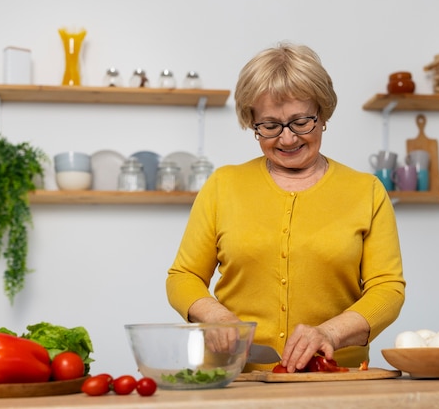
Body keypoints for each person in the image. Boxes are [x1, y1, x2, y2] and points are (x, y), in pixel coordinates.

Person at [166, 42, 405, 373]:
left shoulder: (367, 191)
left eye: (300, 122)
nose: (287, 139)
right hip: (234, 377)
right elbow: (184, 276)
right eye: (270, 125)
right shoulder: (223, 185)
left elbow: (387, 289)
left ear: (323, 115)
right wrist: (215, 315)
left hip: (334, 378)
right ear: (252, 122)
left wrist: (330, 333)